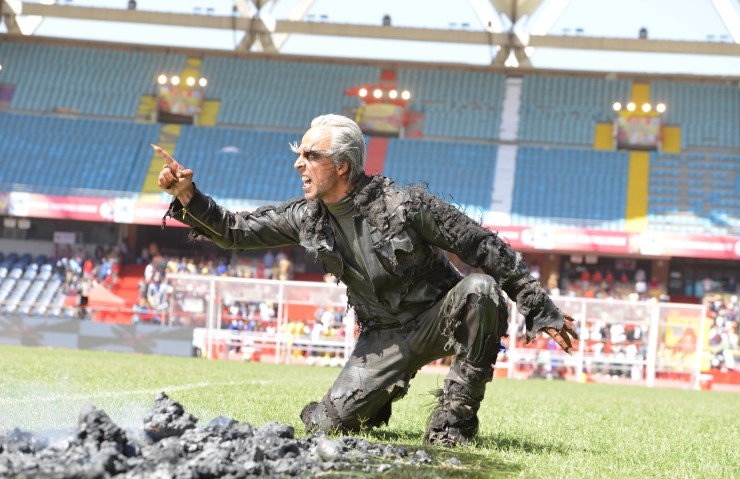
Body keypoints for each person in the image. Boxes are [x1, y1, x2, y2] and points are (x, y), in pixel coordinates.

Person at [153, 114, 577, 447]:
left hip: (439, 316)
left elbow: (481, 244)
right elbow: (236, 231)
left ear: (341, 165)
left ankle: (453, 422)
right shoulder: (306, 216)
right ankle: (374, 401)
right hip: (383, 337)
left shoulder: (405, 204)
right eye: (300, 154)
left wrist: (539, 307)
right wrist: (188, 196)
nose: (299, 163)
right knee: (327, 426)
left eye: (310, 155)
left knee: (481, 290)